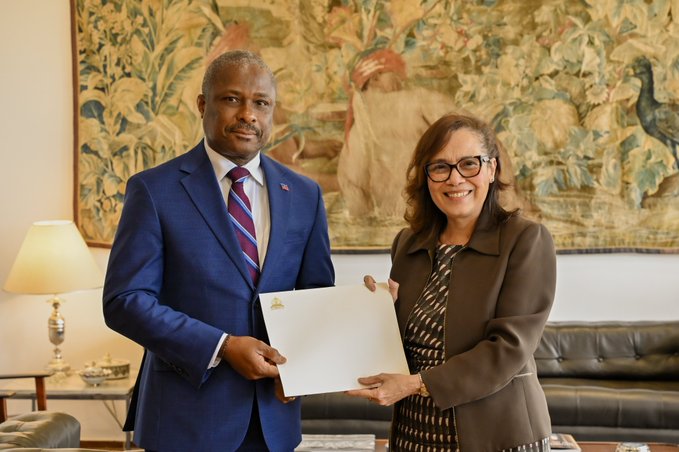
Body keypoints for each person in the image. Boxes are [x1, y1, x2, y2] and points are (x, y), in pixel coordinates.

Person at [103, 50, 335, 452]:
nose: (248, 114)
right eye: (232, 99)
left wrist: (302, 368)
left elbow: (315, 297)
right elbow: (125, 301)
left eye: (261, 103)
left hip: (273, 421)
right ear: (202, 104)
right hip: (184, 421)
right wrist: (222, 346)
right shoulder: (154, 190)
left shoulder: (304, 194)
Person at [349, 113, 556, 451]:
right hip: (415, 434)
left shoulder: (526, 240)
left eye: (469, 164)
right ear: (426, 176)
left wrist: (416, 384)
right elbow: (403, 345)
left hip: (497, 436)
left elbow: (509, 348)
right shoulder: (407, 244)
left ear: (492, 169)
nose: (455, 178)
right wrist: (377, 311)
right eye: (440, 167)